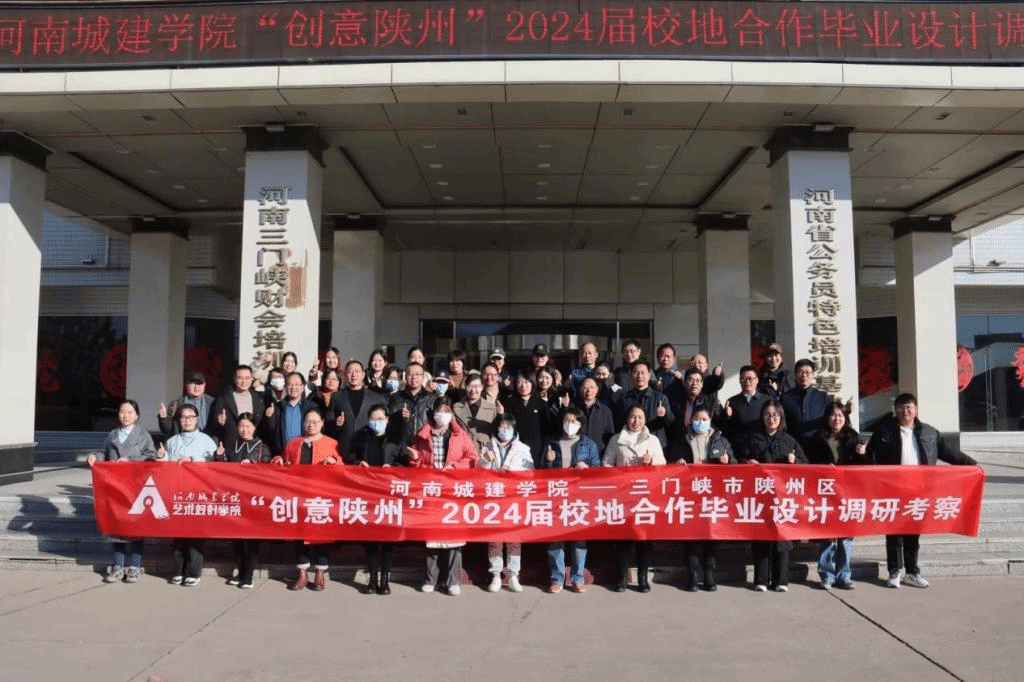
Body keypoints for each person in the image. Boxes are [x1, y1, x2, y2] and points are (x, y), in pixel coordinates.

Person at [868, 393, 978, 589]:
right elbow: (871, 458)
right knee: (893, 534)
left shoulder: (929, 432)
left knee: (913, 534)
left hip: (918, 491)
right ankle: (894, 571)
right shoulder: (883, 431)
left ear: (916, 409)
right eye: (901, 407)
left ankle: (912, 572)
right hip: (892, 490)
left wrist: (972, 465)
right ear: (895, 410)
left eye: (909, 407)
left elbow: (949, 453)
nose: (905, 411)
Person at [406, 396, 479, 595]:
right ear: (434, 412)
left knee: (454, 537)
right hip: (431, 490)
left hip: (452, 490)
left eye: (447, 411)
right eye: (440, 410)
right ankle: (432, 579)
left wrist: (455, 467)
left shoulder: (459, 434)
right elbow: (416, 462)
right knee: (432, 537)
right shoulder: (423, 434)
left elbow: (472, 457)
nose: (443, 414)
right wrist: (414, 459)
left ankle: (453, 580)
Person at [86, 399, 156, 584]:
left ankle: (135, 566)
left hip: (135, 487)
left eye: (130, 412)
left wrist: (131, 460)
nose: (126, 415)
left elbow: (151, 457)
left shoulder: (143, 435)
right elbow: (104, 453)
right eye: (123, 412)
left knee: (136, 527)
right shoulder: (113, 434)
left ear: (137, 415)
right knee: (116, 526)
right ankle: (118, 565)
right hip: (115, 487)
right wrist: (95, 456)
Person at [742, 400, 808, 593]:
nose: (771, 418)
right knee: (761, 537)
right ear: (762, 417)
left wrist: (795, 461)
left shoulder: (789, 441)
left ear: (781, 418)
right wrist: (748, 463)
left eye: (775, 415)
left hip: (783, 497)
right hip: (761, 496)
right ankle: (761, 580)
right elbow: (740, 460)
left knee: (782, 538)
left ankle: (781, 580)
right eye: (767, 414)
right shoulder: (754, 439)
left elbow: (806, 464)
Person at [273, 408, 341, 591]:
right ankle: (302, 573)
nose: (311, 425)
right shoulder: (294, 443)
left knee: (322, 536)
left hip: (321, 497)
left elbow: (342, 467)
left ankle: (320, 573)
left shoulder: (331, 443)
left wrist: (334, 463)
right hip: (299, 496)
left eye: (315, 421)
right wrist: (278, 460)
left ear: (322, 424)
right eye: (307, 421)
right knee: (299, 535)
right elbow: (282, 458)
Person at [805, 400, 870, 590]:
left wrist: (864, 453)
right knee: (827, 535)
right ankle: (827, 575)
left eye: (840, 415)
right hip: (826, 492)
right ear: (827, 418)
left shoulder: (853, 436)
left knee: (846, 535)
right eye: (833, 415)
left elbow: (867, 465)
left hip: (848, 493)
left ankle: (844, 575)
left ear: (845, 417)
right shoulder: (817, 438)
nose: (836, 419)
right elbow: (808, 463)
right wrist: (823, 468)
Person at [603, 405, 666, 592]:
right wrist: (618, 475)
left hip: (646, 496)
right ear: (626, 419)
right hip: (623, 496)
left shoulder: (652, 440)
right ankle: (621, 578)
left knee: (644, 540)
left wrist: (651, 461)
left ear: (645, 419)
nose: (636, 421)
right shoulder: (617, 439)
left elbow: (663, 464)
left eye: (640, 417)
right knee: (623, 540)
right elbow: (606, 464)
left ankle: (642, 578)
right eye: (632, 417)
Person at [675, 407, 735, 592]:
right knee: (691, 537)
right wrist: (677, 462)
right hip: (689, 493)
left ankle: (709, 576)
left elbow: (735, 463)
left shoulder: (720, 440)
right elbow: (670, 458)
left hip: (712, 494)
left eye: (704, 418)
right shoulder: (683, 439)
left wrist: (728, 461)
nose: (700, 422)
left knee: (711, 536)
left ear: (710, 420)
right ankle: (692, 577)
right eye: (697, 418)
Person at [543, 407, 602, 593]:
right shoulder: (552, 443)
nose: (569, 424)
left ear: (580, 424)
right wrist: (548, 461)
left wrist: (588, 468)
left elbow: (598, 468)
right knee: (555, 538)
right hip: (556, 496)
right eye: (566, 421)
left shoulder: (588, 444)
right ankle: (556, 578)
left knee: (579, 539)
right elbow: (541, 470)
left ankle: (577, 578)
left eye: (574, 421)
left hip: (579, 497)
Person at [348, 404, 404, 595]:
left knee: (389, 540)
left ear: (387, 419)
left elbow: (405, 462)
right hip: (368, 494)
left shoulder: (396, 438)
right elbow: (350, 457)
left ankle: (385, 579)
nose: (377, 422)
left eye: (380, 419)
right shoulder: (361, 437)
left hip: (390, 494)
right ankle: (372, 578)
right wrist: (358, 463)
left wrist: (394, 468)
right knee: (371, 538)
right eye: (373, 419)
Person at [163, 403, 219, 587]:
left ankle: (193, 572)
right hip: (177, 493)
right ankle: (179, 570)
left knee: (195, 534)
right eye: (183, 417)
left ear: (197, 419)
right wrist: (161, 457)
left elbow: (213, 464)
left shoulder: (206, 440)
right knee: (178, 534)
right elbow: (165, 467)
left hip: (197, 493)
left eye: (190, 417)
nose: (186, 421)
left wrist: (193, 461)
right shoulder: (172, 441)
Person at [479, 414, 534, 593]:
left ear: (514, 428)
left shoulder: (523, 448)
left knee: (514, 539)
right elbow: (477, 471)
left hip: (513, 499)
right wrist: (487, 461)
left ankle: (513, 575)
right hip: (493, 499)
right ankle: (495, 575)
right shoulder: (487, 446)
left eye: (508, 427)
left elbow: (530, 472)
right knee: (494, 539)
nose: (505, 430)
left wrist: (513, 471)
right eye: (502, 426)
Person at [225, 412, 270, 589]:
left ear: (254, 427)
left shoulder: (262, 447)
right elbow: (222, 470)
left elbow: (268, 471)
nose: (245, 430)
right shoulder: (232, 445)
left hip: (254, 499)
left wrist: (253, 466)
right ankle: (240, 571)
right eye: (241, 426)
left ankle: (248, 576)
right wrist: (220, 457)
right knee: (236, 539)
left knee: (251, 540)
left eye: (248, 426)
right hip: (236, 497)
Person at [615, 359, 675, 450]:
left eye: (643, 373)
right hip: (631, 446)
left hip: (655, 446)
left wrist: (665, 414)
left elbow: (671, 422)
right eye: (636, 372)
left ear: (649, 375)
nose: (639, 376)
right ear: (631, 376)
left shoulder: (660, 397)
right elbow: (619, 423)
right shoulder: (624, 399)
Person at [210, 364, 265, 455]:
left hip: (253, 449)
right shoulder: (224, 398)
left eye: (247, 378)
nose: (244, 382)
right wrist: (219, 423)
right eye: (240, 378)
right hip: (231, 447)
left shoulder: (258, 398)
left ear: (252, 379)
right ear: (234, 379)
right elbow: (214, 426)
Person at [667, 368, 718, 462]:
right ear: (685, 383)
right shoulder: (676, 401)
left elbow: (717, 423)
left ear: (702, 384)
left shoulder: (710, 401)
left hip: (704, 446)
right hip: (681, 446)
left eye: (698, 381)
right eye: (691, 380)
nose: (694, 384)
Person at [502, 370, 549, 467]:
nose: (523, 386)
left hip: (537, 449)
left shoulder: (541, 403)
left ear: (532, 383)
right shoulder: (510, 402)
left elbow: (547, 427)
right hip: (516, 449)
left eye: (526, 382)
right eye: (519, 382)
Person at [781, 358, 832, 448]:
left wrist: (847, 410)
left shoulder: (823, 397)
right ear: (795, 375)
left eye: (808, 372)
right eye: (800, 372)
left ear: (813, 375)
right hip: (793, 447)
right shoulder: (786, 398)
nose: (804, 375)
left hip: (818, 446)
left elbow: (832, 417)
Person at [721, 365, 767, 458]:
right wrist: (727, 416)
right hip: (739, 452)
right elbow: (726, 430)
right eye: (743, 379)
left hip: (762, 451)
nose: (747, 382)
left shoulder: (767, 401)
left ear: (757, 380)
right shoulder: (732, 402)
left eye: (750, 379)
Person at [264, 372, 315, 454]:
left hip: (304, 452)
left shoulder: (311, 407)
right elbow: (271, 431)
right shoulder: (278, 407)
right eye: (290, 385)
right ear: (285, 387)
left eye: (297, 385)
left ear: (302, 387)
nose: (293, 387)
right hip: (283, 453)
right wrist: (268, 418)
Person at [387, 361, 436, 446]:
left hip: (424, 447)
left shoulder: (432, 399)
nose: (414, 377)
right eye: (410, 374)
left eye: (417, 374)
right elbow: (388, 423)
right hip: (401, 447)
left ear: (423, 377)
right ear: (405, 377)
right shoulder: (396, 398)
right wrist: (398, 416)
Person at [332, 360, 376, 453]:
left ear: (363, 375)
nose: (354, 374)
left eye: (357, 371)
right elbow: (329, 417)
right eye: (350, 371)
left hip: (367, 447)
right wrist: (336, 422)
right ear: (345, 375)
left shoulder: (374, 397)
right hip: (344, 447)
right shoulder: (337, 396)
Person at [452, 373, 499, 454]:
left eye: (476, 386)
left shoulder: (491, 408)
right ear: (465, 387)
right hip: (463, 452)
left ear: (482, 387)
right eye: (470, 386)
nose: (473, 390)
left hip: (484, 452)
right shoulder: (456, 407)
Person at [158, 371, 215, 437]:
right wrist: (163, 419)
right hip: (183, 440)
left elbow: (218, 429)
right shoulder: (176, 404)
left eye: (199, 384)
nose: (196, 387)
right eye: (192, 383)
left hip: (207, 441)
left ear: (204, 385)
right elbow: (167, 430)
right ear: (186, 385)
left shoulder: (213, 403)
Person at [576, 376, 615, 449]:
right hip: (578, 451)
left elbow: (610, 435)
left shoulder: (606, 411)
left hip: (599, 452)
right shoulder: (575, 410)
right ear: (580, 390)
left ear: (597, 389)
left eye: (592, 387)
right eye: (585, 387)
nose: (589, 390)